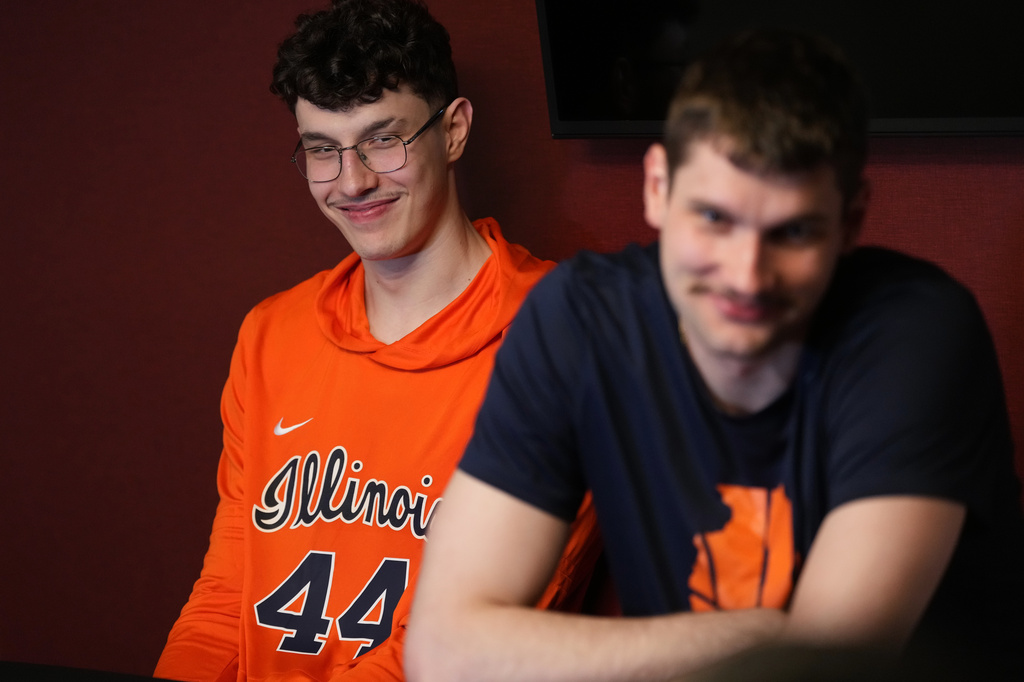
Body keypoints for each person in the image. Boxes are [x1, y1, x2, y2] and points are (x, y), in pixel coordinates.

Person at [405, 28, 1024, 682]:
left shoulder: (914, 333)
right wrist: (762, 635)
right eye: (714, 219)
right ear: (657, 188)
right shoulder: (579, 322)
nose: (747, 275)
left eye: (792, 232)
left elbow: (823, 674)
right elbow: (443, 653)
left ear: (850, 222)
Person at [154, 1, 600, 680]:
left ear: (452, 131)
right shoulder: (270, 334)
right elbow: (225, 599)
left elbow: (467, 641)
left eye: (382, 140)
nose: (352, 181)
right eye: (322, 150)